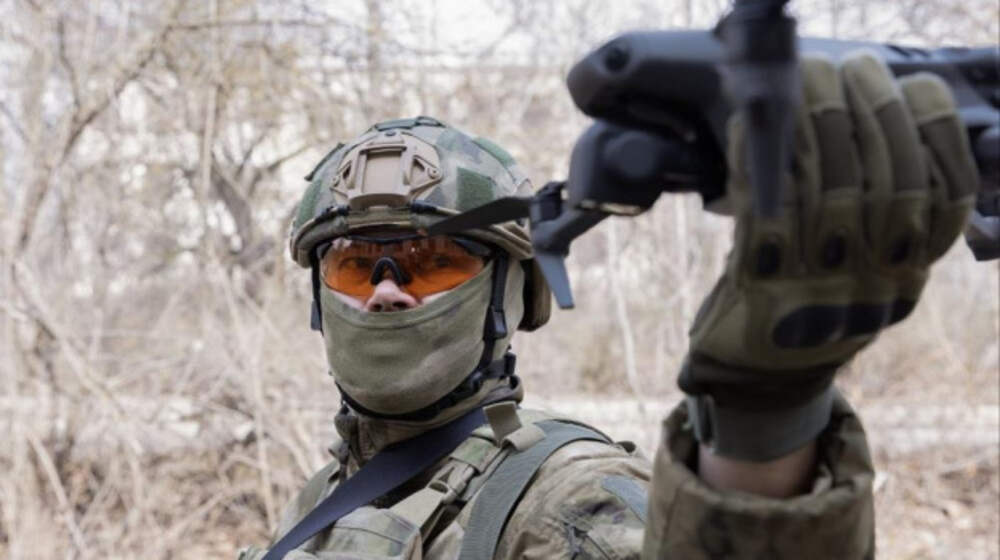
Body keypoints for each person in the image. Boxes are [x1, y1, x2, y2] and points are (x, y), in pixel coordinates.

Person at [239, 52, 977, 559]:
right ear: (318, 298)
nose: (387, 291)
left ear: (511, 295)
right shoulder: (327, 492)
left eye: (434, 263)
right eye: (354, 265)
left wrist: (764, 422)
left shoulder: (570, 501)